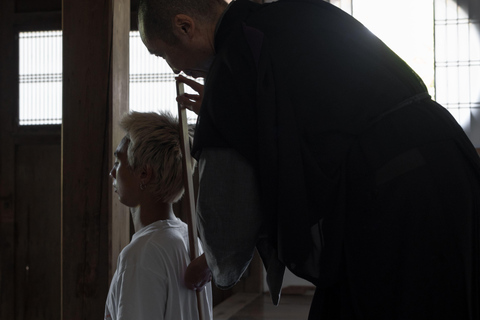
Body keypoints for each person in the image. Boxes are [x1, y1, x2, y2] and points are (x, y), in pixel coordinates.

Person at [138, 0, 480, 319]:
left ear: (184, 27)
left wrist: (211, 264)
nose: (175, 67)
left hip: (398, 188)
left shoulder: (233, 63)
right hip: (452, 158)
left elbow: (228, 223)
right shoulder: (291, 16)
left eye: (164, 55)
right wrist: (235, 115)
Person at [105, 111, 212, 320]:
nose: (112, 172)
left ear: (144, 174)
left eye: (118, 162)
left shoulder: (141, 254)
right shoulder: (189, 239)